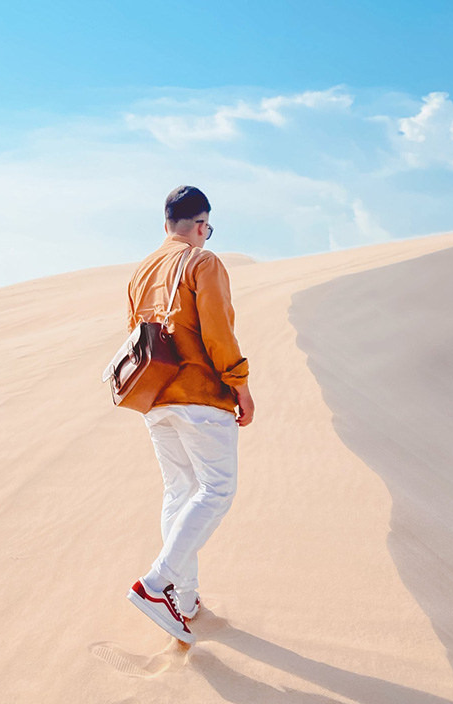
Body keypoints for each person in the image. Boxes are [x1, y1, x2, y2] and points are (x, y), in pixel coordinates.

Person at [125, 185, 254, 645]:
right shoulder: (203, 261)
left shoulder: (141, 271)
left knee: (180, 492)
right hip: (200, 394)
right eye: (207, 228)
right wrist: (240, 386)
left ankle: (185, 597)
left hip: (156, 398)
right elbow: (218, 330)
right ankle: (156, 584)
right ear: (200, 225)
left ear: (166, 225)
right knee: (217, 489)